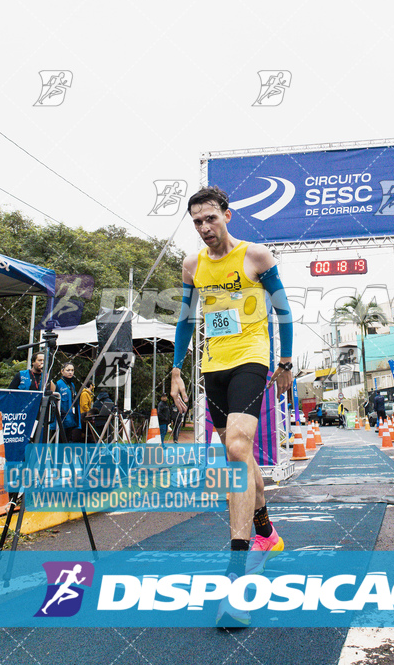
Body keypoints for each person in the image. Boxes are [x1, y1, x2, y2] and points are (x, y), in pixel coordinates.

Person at [170, 185, 293, 628]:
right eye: (197, 222)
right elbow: (185, 320)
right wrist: (177, 368)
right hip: (213, 367)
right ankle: (265, 530)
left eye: (211, 219)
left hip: (252, 359)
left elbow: (282, 312)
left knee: (239, 447)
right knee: (235, 454)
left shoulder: (256, 256)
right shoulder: (192, 265)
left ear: (227, 215)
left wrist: (285, 361)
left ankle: (235, 578)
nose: (205, 228)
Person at [50, 363, 82, 441]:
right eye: (68, 370)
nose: (70, 372)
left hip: (70, 419)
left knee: (67, 441)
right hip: (60, 420)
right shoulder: (58, 384)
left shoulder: (72, 385)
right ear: (62, 371)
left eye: (72, 370)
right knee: (58, 441)